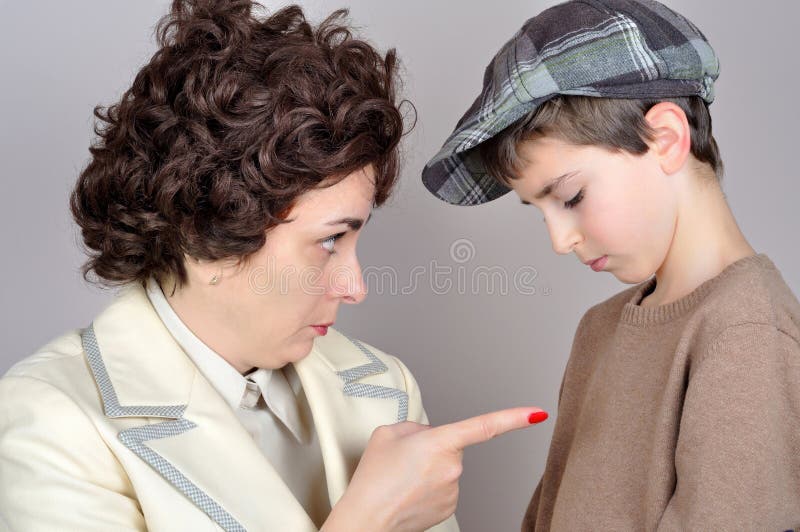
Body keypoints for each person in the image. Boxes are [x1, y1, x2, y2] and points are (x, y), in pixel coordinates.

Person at [0, 2, 549, 531]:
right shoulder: (55, 419)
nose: (356, 287)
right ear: (206, 233)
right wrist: (368, 522)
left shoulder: (385, 386)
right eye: (331, 241)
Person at [422, 0, 800, 529]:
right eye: (539, 211)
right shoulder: (599, 329)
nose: (559, 240)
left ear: (666, 139)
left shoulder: (745, 333)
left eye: (570, 196)